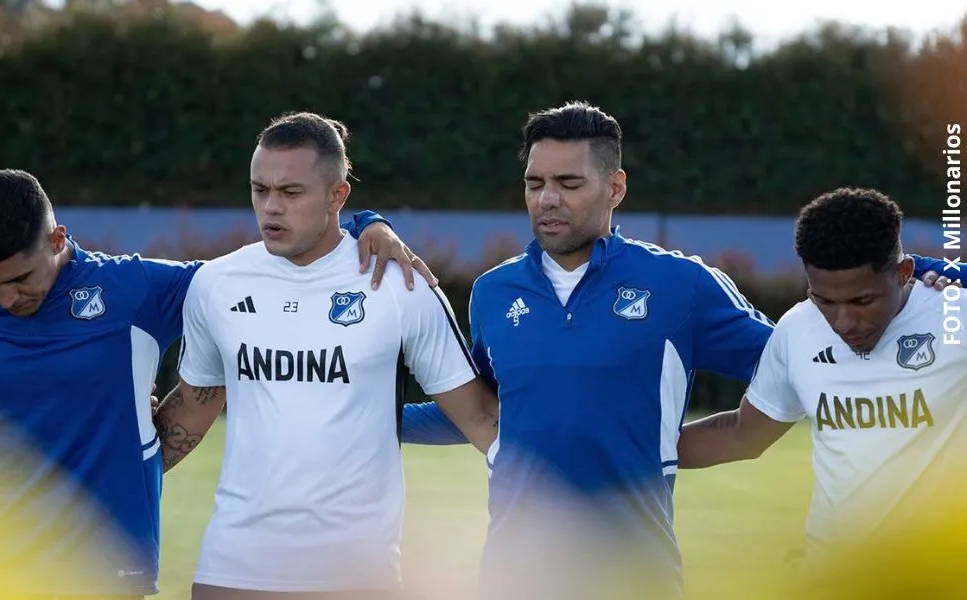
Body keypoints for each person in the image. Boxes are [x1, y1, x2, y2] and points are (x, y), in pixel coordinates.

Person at [396, 102, 954, 600]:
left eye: (568, 182)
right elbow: (483, 409)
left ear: (615, 188)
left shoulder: (680, 285)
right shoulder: (493, 293)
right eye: (534, 182)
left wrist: (928, 274)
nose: (547, 198)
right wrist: (368, 413)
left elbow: (791, 361)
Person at [0, 168, 429, 600]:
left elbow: (262, 274)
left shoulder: (134, 290)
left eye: (21, 279)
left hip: (109, 569)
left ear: (57, 240)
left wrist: (366, 222)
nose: (6, 299)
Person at [151, 111, 499, 600]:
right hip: (233, 569)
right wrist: (113, 470)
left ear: (338, 197)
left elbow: (482, 419)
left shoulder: (400, 285)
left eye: (291, 193)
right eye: (259, 190)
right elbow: (192, 407)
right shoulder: (216, 284)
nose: (271, 208)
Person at [676, 188, 967, 579]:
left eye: (863, 301)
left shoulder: (954, 313)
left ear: (903, 272)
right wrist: (624, 451)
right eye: (825, 301)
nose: (844, 322)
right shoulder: (797, 329)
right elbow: (742, 434)